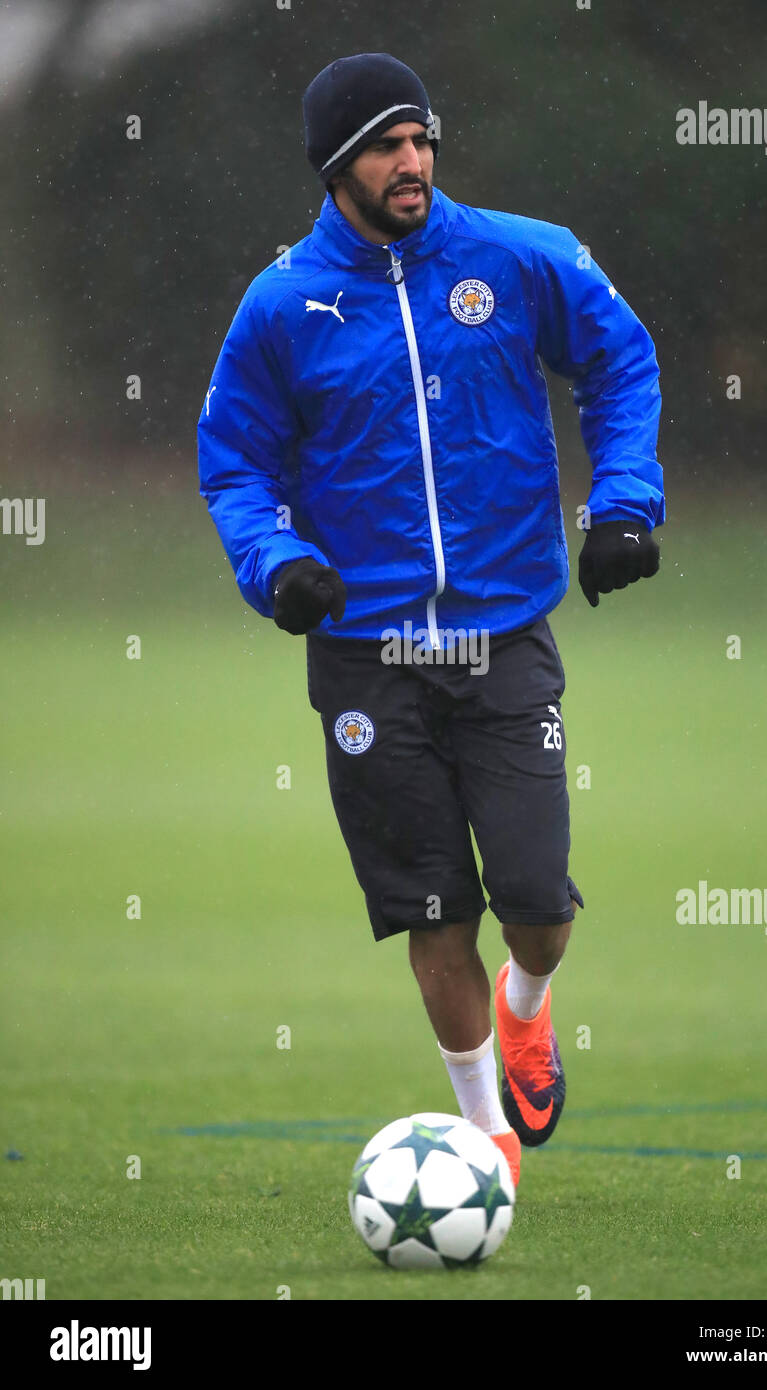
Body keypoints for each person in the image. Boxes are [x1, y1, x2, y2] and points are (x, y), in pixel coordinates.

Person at [197, 53, 664, 1189]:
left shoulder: (517, 255)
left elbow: (620, 361)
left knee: (538, 906)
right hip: (368, 661)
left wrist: (622, 505)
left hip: (503, 640)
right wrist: (279, 565)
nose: (412, 162)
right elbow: (235, 465)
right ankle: (483, 1141)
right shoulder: (280, 307)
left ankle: (529, 1007)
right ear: (334, 166)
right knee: (433, 910)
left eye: (421, 139)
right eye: (384, 146)